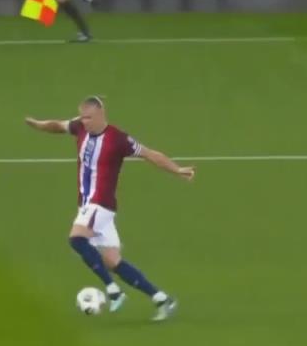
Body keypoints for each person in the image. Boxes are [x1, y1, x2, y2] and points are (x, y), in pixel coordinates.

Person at [25, 97, 195, 321]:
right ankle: (163, 300)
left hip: (100, 203)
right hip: (89, 205)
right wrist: (38, 124)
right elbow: (58, 126)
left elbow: (150, 154)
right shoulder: (80, 127)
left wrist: (177, 169)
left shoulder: (118, 139)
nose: (84, 121)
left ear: (101, 114)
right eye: (82, 117)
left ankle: (113, 291)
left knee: (76, 239)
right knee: (113, 261)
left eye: (88, 117)